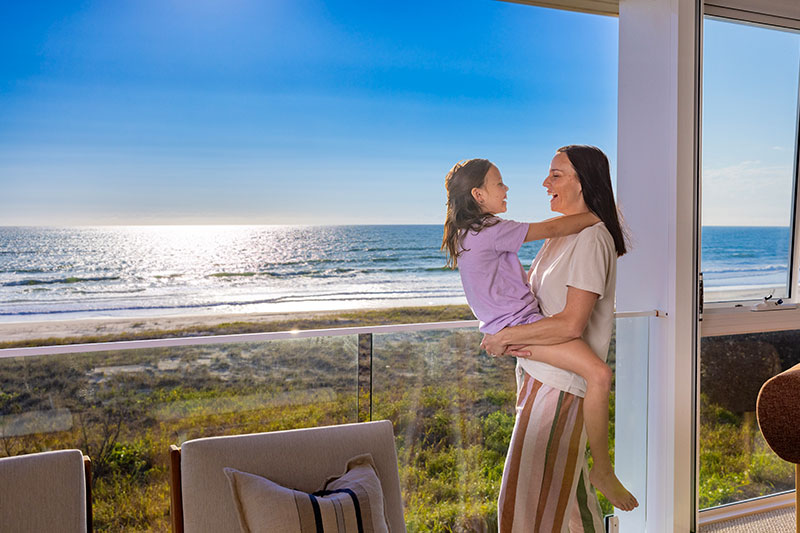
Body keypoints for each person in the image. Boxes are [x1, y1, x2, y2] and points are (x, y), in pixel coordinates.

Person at [441, 156, 638, 524]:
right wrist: (503, 335)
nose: (544, 183)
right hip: (536, 368)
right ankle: (603, 471)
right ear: (478, 194)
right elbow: (533, 281)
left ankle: (604, 469)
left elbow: (568, 324)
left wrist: (504, 336)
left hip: (556, 384)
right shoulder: (547, 236)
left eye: (555, 175)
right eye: (500, 183)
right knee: (565, 507)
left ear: (582, 182)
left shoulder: (590, 237)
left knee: (531, 508)